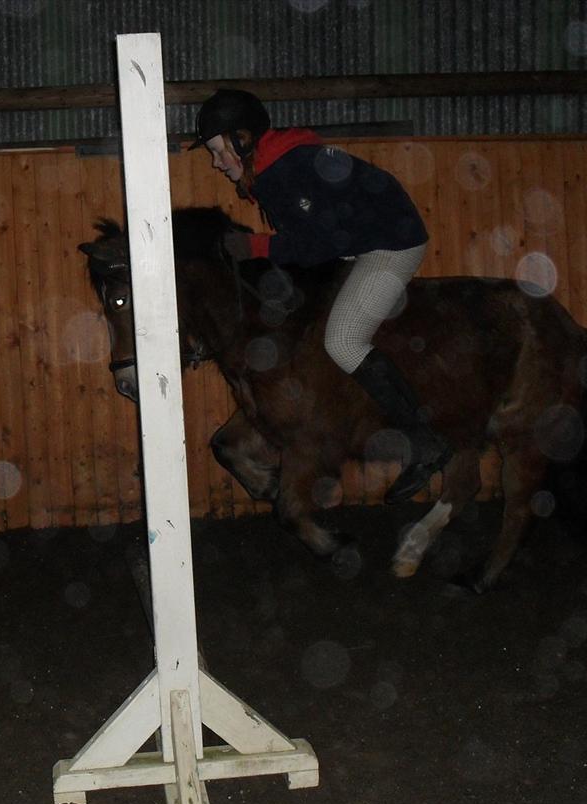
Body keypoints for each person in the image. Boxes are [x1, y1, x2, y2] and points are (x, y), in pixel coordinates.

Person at [190, 88, 450, 505]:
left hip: (391, 244)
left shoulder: (284, 173)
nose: (216, 163)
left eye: (218, 151)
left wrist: (254, 247)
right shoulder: (276, 164)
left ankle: (424, 442)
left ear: (242, 140)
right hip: (361, 241)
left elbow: (315, 246)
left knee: (343, 341)